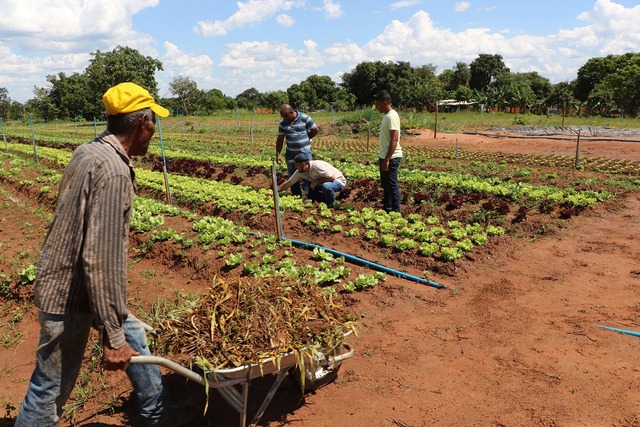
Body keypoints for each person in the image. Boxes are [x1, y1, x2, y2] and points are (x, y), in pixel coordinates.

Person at [15, 82, 182, 427]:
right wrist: (112, 337)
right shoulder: (115, 170)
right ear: (143, 123)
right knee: (50, 389)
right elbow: (100, 259)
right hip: (72, 295)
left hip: (67, 279)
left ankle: (157, 412)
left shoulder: (89, 151)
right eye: (154, 124)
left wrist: (117, 325)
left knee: (131, 329)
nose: (154, 132)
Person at [275, 104, 319, 196]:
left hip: (305, 153)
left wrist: (307, 139)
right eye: (283, 117)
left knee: (309, 173)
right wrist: (278, 154)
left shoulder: (305, 118)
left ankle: (310, 195)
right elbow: (280, 139)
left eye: (286, 116)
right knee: (292, 175)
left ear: (291, 112)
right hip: (291, 153)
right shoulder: (283, 123)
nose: (285, 119)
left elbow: (315, 129)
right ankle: (296, 195)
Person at [276, 152, 346, 207]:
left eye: (296, 165)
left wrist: (317, 181)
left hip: (338, 181)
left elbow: (332, 177)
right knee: (306, 186)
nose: (295, 167)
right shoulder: (300, 172)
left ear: (303, 164)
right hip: (324, 182)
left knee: (326, 186)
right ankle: (324, 200)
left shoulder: (318, 166)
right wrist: (276, 191)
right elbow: (289, 183)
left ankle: (332, 205)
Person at [374, 90, 403, 213]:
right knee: (386, 186)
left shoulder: (392, 116)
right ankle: (388, 209)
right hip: (385, 157)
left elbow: (395, 139)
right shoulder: (387, 116)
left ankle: (396, 212)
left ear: (385, 103)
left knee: (392, 186)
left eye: (377, 104)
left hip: (391, 157)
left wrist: (387, 159)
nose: (376, 107)